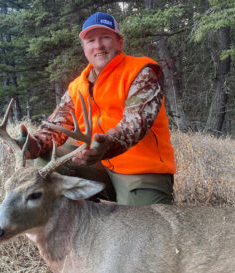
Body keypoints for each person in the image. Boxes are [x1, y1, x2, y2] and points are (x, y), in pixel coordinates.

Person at [11, 12, 176, 206]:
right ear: (84, 47)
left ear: (119, 42)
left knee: (142, 229)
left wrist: (105, 145)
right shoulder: (77, 86)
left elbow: (135, 125)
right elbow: (55, 127)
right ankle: (70, 226)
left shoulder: (140, 72)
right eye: (91, 40)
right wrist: (33, 144)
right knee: (46, 161)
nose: (98, 46)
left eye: (105, 37)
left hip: (140, 169)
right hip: (97, 164)